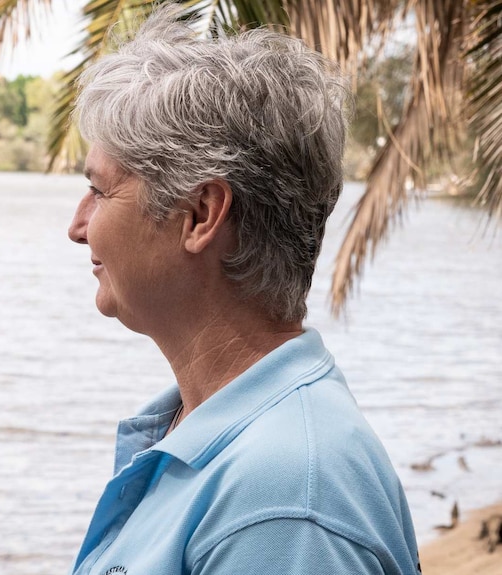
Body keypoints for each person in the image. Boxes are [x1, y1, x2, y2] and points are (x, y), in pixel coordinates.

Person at [66, 5, 421, 575]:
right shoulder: (222, 438)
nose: (78, 226)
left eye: (101, 191)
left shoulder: (281, 504)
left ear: (201, 215)